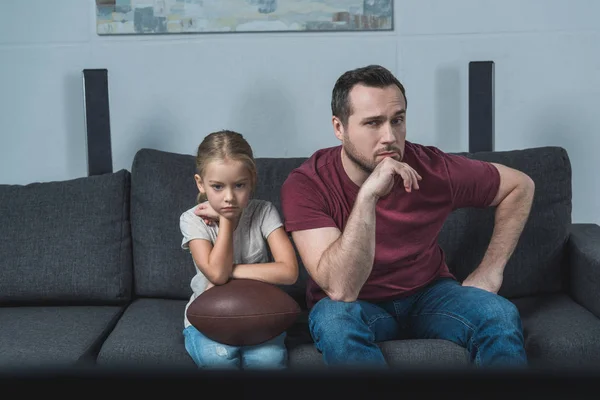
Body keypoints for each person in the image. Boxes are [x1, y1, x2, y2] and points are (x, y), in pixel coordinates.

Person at [280, 65, 535, 368]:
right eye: (373, 123)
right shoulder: (307, 184)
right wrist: (368, 196)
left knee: (499, 314)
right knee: (333, 320)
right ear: (339, 127)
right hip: (357, 305)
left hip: (430, 296)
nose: (389, 136)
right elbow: (340, 288)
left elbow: (520, 185)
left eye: (397, 120)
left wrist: (491, 270)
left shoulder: (433, 167)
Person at [179, 129, 299, 370]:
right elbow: (216, 274)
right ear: (201, 184)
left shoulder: (264, 212)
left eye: (239, 185)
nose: (229, 198)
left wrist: (232, 271)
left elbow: (289, 272)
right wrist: (226, 222)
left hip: (260, 317)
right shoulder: (191, 219)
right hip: (209, 320)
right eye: (217, 187)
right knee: (218, 361)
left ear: (252, 180)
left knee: (268, 362)